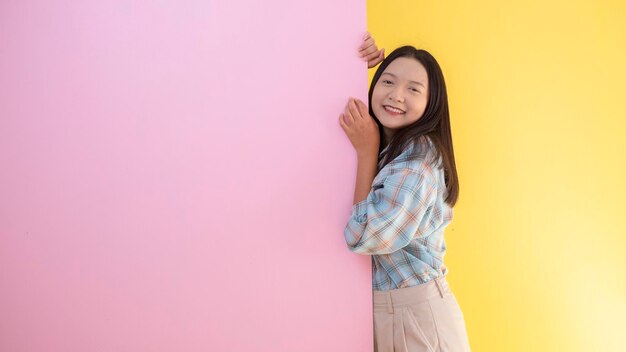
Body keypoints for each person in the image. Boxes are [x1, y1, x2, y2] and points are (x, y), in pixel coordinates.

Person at [339, 32, 471, 352]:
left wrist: (367, 151)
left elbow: (365, 234)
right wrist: (351, 61)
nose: (397, 95)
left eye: (413, 89)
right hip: (398, 312)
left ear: (431, 103)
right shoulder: (394, 147)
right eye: (387, 82)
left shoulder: (418, 160)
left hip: (415, 316)